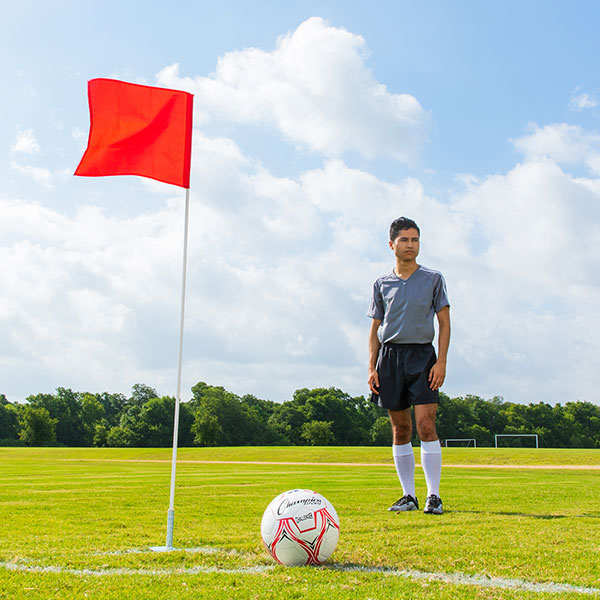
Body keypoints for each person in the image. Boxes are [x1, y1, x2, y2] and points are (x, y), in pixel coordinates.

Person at [367, 217, 450, 515]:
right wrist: (372, 367)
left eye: (415, 240)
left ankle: (434, 496)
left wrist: (441, 361)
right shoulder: (381, 283)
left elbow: (443, 322)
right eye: (404, 240)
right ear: (392, 245)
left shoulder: (433, 279)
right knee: (400, 429)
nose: (411, 245)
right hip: (390, 358)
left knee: (426, 425)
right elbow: (375, 328)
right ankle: (408, 496)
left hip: (422, 357)